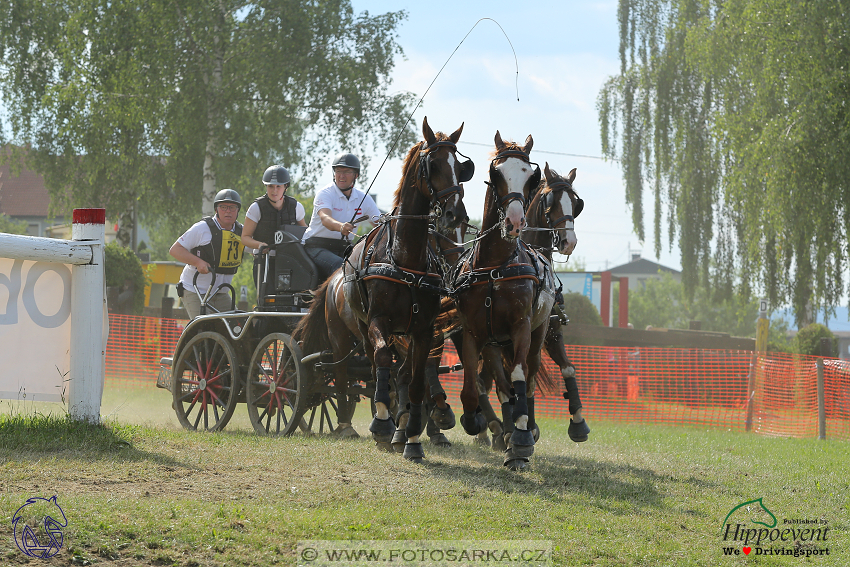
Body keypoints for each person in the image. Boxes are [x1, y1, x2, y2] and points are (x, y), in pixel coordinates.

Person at [302, 152, 380, 280]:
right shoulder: (325, 193)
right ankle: (326, 299)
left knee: (366, 268)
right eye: (338, 171)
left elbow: (379, 222)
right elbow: (325, 218)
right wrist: (341, 226)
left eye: (347, 171)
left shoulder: (363, 198)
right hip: (317, 246)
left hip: (344, 248)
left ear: (356, 175)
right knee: (341, 267)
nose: (341, 176)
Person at [169, 189, 245, 319]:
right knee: (204, 327)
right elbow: (175, 250)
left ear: (238, 211)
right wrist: (198, 262)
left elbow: (257, 249)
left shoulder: (242, 232)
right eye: (223, 207)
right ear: (216, 209)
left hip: (221, 294)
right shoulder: (202, 228)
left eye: (232, 207)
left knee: (239, 328)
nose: (228, 211)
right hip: (195, 291)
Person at [240, 164, 307, 289]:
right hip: (264, 261)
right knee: (266, 302)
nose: (274, 190)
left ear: (285, 187)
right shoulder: (256, 207)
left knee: (291, 302)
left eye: (278, 186)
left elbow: (305, 234)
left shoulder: (296, 207)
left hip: (290, 262)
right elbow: (245, 237)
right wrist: (259, 245)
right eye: (270, 186)